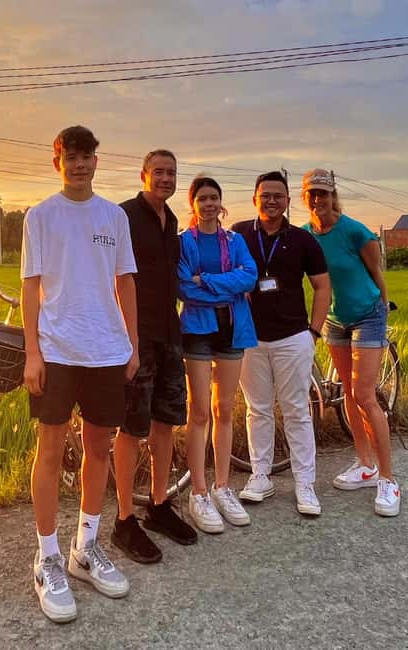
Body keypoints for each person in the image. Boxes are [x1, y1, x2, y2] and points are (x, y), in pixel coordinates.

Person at [21, 125, 140, 623]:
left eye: (87, 156)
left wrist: (132, 344)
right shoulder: (40, 216)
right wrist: (32, 352)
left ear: (96, 161)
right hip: (56, 349)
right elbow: (30, 286)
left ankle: (85, 548)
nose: (79, 164)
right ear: (58, 163)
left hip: (106, 350)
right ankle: (47, 557)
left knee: (99, 449)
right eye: (70, 157)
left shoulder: (113, 216)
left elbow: (125, 281)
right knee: (50, 451)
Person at [112, 150, 198, 563]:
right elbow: (114, 278)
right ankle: (123, 518)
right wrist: (126, 339)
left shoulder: (172, 220)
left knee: (166, 421)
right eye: (159, 172)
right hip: (136, 337)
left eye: (172, 173)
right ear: (143, 175)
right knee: (132, 427)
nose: (166, 178)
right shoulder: (124, 216)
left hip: (169, 333)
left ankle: (159, 505)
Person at [300, 168, 401, 517]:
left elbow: (376, 274)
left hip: (368, 315)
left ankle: (388, 479)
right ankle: (365, 465)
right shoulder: (305, 236)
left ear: (333, 196)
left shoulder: (355, 231)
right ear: (305, 197)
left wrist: (382, 310)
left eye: (323, 193)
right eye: (312, 193)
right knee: (348, 394)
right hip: (335, 320)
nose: (317, 199)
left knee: (365, 396)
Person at [233, 171, 331, 516]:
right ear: (255, 199)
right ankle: (260, 475)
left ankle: (305, 482)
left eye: (278, 195)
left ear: (288, 201)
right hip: (250, 338)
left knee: (296, 411)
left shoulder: (304, 241)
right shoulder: (239, 235)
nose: (271, 201)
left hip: (293, 337)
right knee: (257, 409)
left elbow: (322, 287)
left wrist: (313, 333)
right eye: (265, 195)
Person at [177, 176, 258, 534]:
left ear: (221, 203)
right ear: (193, 204)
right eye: (203, 199)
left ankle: (222, 486)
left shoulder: (235, 241)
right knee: (198, 412)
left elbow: (249, 277)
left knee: (224, 409)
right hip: (197, 329)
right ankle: (198, 491)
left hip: (232, 328)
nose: (209, 204)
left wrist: (206, 280)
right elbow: (184, 288)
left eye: (214, 198)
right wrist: (225, 286)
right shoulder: (184, 242)